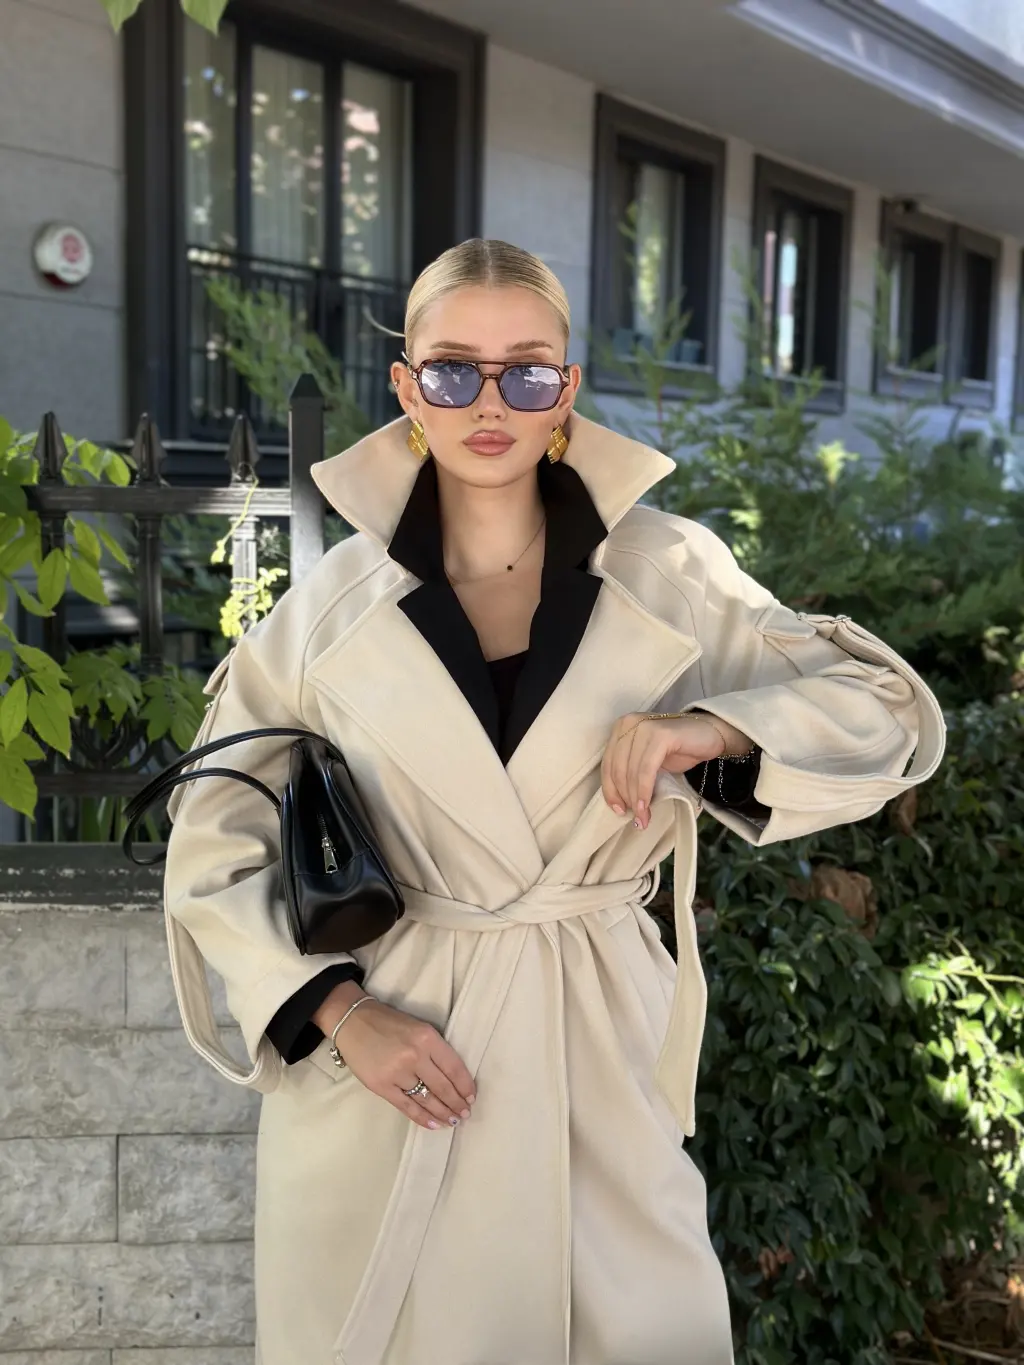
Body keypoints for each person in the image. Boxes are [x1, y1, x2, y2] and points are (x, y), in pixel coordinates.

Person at [163, 238, 945, 1365]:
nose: (490, 403)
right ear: (407, 388)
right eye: (452, 371)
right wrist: (338, 1013)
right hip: (393, 1058)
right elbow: (213, 835)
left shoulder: (668, 572)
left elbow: (887, 711)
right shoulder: (330, 604)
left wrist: (716, 728)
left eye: (526, 371)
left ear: (566, 390)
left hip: (593, 1042)